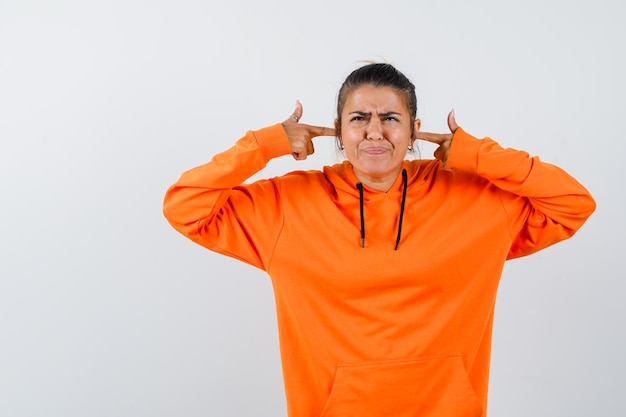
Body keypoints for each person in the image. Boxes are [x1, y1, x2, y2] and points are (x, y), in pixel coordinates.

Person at [163, 63, 595, 417]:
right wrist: (265, 144)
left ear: (414, 130)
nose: (375, 132)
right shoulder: (285, 206)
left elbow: (573, 202)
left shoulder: (476, 199)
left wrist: (476, 154)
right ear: (337, 129)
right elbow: (186, 206)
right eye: (359, 118)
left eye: (390, 118)